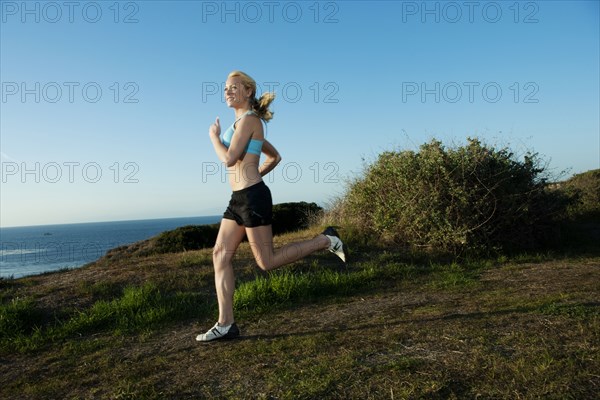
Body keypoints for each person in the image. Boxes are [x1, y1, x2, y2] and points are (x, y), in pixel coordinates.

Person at [196, 71, 346, 342]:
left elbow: (229, 159)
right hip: (239, 198)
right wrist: (252, 174)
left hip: (253, 198)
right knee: (219, 255)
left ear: (248, 91)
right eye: (225, 88)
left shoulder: (250, 120)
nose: (227, 92)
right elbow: (274, 157)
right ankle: (226, 324)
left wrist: (213, 138)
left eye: (234, 87)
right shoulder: (242, 124)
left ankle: (325, 240)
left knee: (267, 262)